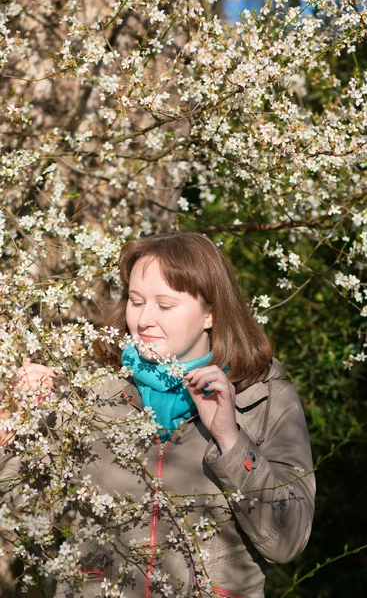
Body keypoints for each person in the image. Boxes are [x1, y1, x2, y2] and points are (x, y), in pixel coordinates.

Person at [1, 230, 315, 598]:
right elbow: (19, 510)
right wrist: (16, 421)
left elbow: (287, 541)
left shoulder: (264, 398)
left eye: (165, 305)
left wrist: (231, 441)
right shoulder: (95, 393)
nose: (145, 319)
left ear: (211, 314)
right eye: (136, 301)